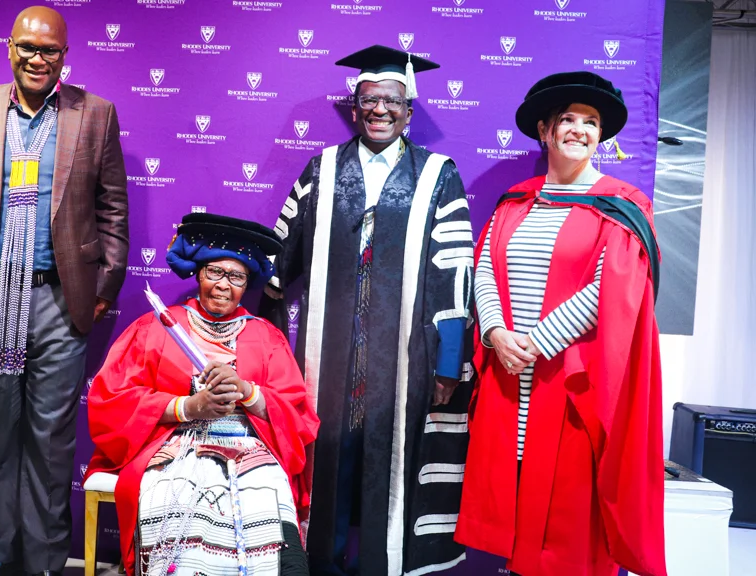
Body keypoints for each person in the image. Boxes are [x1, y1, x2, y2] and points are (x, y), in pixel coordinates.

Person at [259, 45, 475, 576]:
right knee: (326, 459)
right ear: (355, 107)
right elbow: (282, 254)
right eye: (369, 100)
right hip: (327, 354)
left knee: (391, 462)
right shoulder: (323, 169)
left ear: (409, 110)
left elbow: (453, 271)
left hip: (402, 355)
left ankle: (384, 567)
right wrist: (260, 341)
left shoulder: (437, 175)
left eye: (392, 102)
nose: (380, 110)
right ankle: (316, 565)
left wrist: (449, 363)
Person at [0, 6, 129, 575]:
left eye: (49, 50)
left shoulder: (94, 113)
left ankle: (46, 563)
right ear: (10, 48)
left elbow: (112, 207)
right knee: (1, 438)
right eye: (27, 47)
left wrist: (103, 285)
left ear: (64, 56)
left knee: (51, 445)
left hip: (59, 302)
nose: (37, 58)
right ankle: (1, 558)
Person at [455, 72, 665, 576]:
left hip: (571, 381)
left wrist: (535, 341)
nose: (579, 130)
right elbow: (486, 267)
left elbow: (614, 288)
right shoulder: (516, 202)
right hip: (512, 376)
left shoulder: (622, 206)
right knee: (519, 495)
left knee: (569, 515)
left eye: (590, 122)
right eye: (567, 120)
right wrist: (496, 334)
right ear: (545, 132)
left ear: (601, 135)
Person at [87, 213, 319, 576]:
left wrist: (247, 391)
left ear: (247, 283)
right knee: (172, 501)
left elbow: (298, 415)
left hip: (251, 445)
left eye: (237, 276)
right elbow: (111, 399)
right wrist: (187, 406)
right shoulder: (158, 327)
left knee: (265, 499)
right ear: (197, 274)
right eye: (215, 272)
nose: (224, 285)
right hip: (174, 443)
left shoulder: (266, 338)